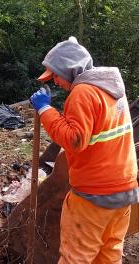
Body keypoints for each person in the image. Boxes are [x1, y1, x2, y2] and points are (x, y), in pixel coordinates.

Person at [30, 36, 139, 263]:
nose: (56, 82)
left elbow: (74, 140)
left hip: (94, 194)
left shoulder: (83, 93)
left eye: (55, 76)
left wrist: (45, 110)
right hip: (125, 189)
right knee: (108, 255)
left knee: (75, 258)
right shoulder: (110, 88)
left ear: (69, 69)